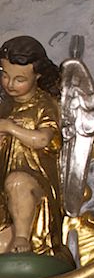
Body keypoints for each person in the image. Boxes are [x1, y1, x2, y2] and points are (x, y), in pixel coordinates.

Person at [0, 35, 64, 257]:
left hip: (35, 185)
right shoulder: (5, 106)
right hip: (4, 187)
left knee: (17, 182)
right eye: (5, 75)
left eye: (19, 79)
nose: (10, 84)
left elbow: (43, 140)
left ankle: (22, 238)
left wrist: (10, 127)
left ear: (37, 75)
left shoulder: (44, 104)